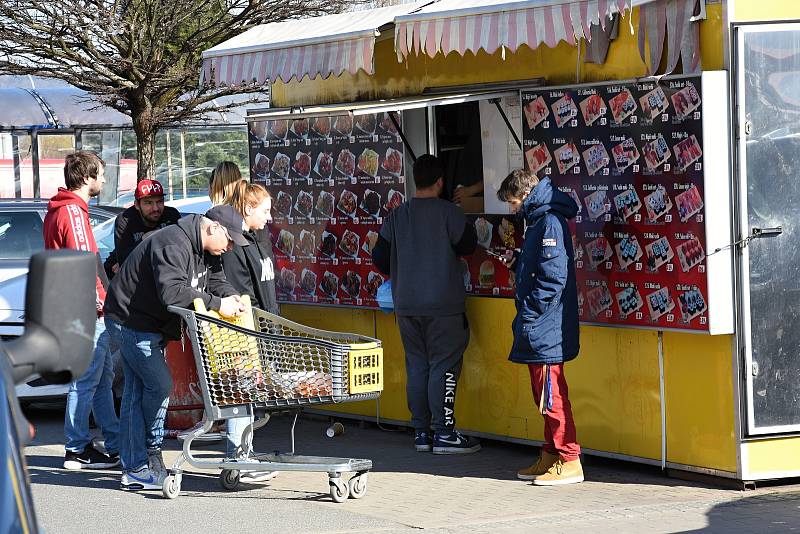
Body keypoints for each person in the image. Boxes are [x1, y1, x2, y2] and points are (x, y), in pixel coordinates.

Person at [104, 205, 248, 490]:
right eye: (229, 239)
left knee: (135, 391)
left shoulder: (208, 249)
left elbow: (216, 280)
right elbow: (172, 292)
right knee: (158, 384)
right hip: (129, 320)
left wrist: (232, 297)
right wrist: (218, 304)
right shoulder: (173, 243)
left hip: (151, 324)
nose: (230, 247)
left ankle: (137, 464)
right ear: (214, 228)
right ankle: (146, 455)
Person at [372, 154, 480, 455]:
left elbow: (380, 258)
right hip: (443, 306)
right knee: (443, 366)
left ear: (415, 180)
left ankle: (421, 433)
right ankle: (444, 434)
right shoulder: (450, 214)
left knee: (417, 365)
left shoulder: (397, 216)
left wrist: (406, 269)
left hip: (406, 306)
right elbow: (468, 246)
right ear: (441, 182)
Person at [496, 169, 583, 486]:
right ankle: (551, 454)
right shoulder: (540, 220)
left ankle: (569, 458)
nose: (512, 209)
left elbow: (553, 278)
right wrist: (518, 263)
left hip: (545, 324)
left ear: (525, 195)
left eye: (513, 202)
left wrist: (530, 313)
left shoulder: (547, 222)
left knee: (551, 394)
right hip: (542, 324)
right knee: (543, 395)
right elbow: (542, 270)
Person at [43, 150, 120, 470]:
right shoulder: (73, 212)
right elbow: (82, 260)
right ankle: (76, 447)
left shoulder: (60, 210)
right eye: (100, 174)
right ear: (86, 178)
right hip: (86, 310)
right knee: (87, 379)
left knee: (101, 378)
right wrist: (98, 301)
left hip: (76, 306)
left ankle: (115, 442)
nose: (103, 179)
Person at [215, 180, 279, 482]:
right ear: (248, 208)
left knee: (246, 394)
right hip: (241, 328)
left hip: (260, 325)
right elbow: (238, 291)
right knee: (240, 392)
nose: (269, 218)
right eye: (265, 211)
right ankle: (237, 458)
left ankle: (242, 455)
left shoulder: (256, 239)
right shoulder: (234, 247)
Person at [111, 179, 181, 269]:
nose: (155, 208)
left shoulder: (171, 215)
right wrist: (147, 237)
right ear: (137, 205)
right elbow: (125, 261)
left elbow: (180, 251)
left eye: (159, 201)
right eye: (148, 203)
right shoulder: (125, 220)